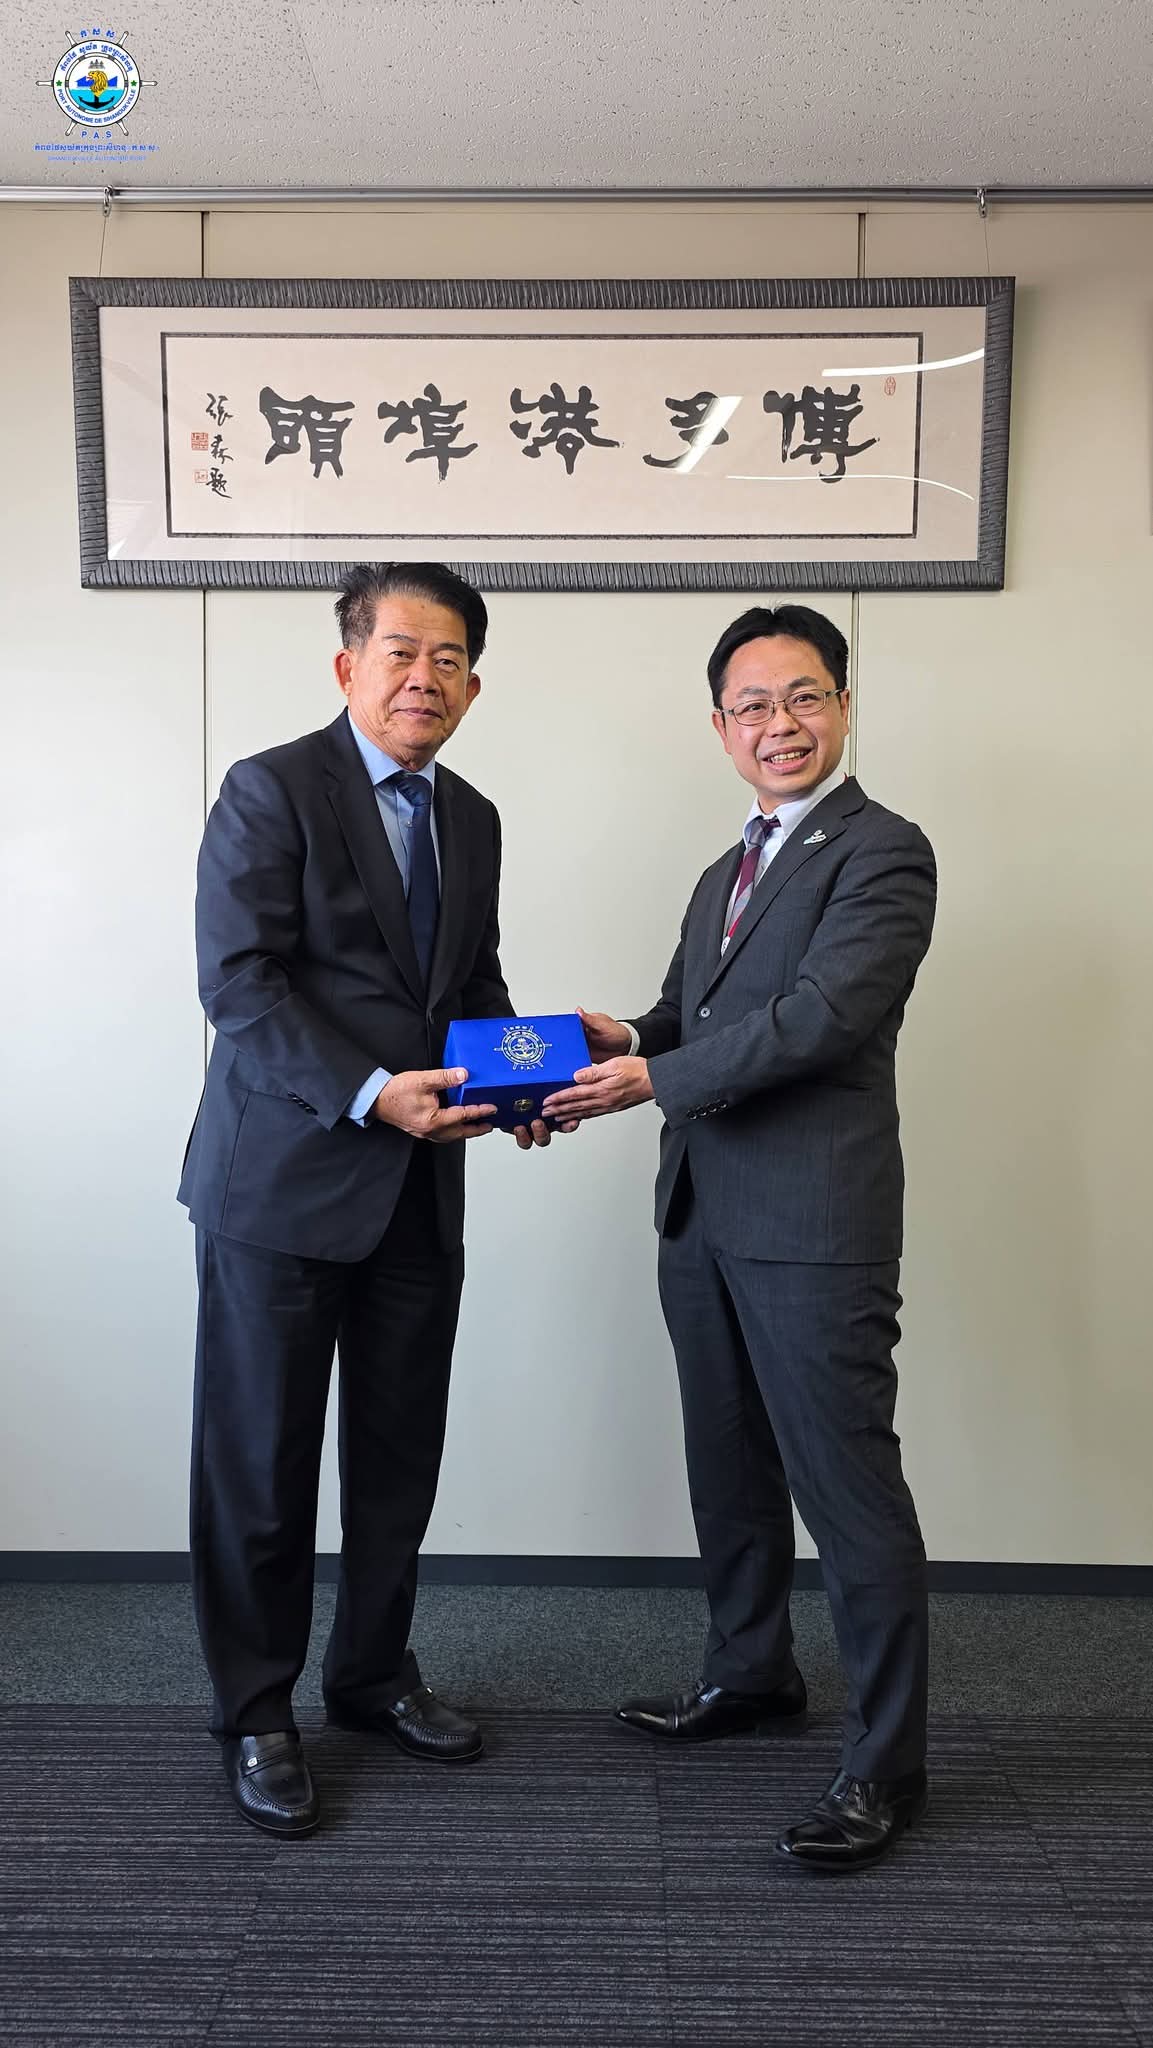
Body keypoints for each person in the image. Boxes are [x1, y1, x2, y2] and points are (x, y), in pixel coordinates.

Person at [545, 604, 937, 1875]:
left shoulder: (884, 851)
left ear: (843, 705)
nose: (780, 723)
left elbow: (823, 1017)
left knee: (848, 1489)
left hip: (812, 1221)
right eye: (753, 705)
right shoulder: (725, 869)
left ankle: (886, 1762)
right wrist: (622, 1041)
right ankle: (751, 1670)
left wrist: (651, 1079)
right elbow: (690, 1015)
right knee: (728, 1466)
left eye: (804, 695)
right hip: (701, 1213)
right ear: (720, 726)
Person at [179, 561, 555, 1837]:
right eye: (401, 651)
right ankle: (256, 1709)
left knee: (397, 1454)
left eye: (449, 659)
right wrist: (368, 1091)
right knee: (261, 1462)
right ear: (349, 665)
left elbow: (471, 983)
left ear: (474, 686)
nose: (423, 678)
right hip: (280, 1186)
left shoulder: (473, 817)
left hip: (417, 1188)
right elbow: (240, 981)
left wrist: (522, 1085)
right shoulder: (271, 788)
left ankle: (371, 1674)